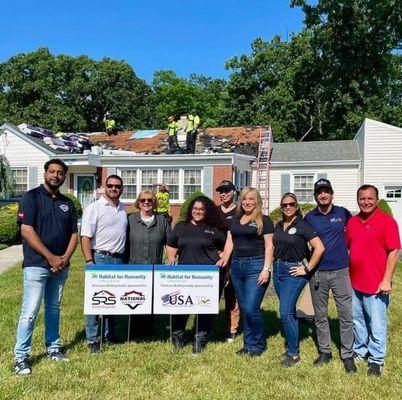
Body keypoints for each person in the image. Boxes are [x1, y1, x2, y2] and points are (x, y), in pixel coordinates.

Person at [14, 159, 78, 375]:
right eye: (52, 171)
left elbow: (74, 235)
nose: (56, 176)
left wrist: (64, 259)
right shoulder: (30, 197)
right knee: (30, 311)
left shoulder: (67, 203)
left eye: (60, 173)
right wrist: (51, 258)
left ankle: (53, 348)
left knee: (53, 309)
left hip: (60, 267)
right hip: (36, 265)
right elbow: (27, 231)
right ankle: (21, 357)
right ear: (45, 173)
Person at [346, 184, 400, 376]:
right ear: (357, 200)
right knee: (358, 321)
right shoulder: (352, 222)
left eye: (370, 198)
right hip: (355, 283)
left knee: (377, 323)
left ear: (377, 200)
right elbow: (349, 247)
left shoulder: (387, 222)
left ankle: (376, 359)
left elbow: (394, 250)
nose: (366, 202)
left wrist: (386, 280)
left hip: (376, 284)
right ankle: (360, 350)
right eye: (362, 198)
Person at [304, 178, 356, 373]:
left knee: (346, 315)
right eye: (319, 192)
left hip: (341, 271)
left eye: (326, 191)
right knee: (320, 315)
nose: (323, 195)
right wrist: (305, 266)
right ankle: (325, 351)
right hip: (318, 273)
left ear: (332, 194)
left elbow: (355, 235)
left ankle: (347, 354)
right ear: (315, 196)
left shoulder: (343, 213)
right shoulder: (309, 217)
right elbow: (300, 242)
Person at [218, 187, 274, 357]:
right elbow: (230, 242)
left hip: (256, 266)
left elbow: (269, 246)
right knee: (244, 308)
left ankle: (259, 344)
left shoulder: (264, 220)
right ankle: (248, 344)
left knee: (251, 308)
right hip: (237, 266)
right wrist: (225, 259)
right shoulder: (235, 220)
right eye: (244, 199)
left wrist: (266, 269)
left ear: (257, 201)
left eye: (251, 199)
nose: (247, 202)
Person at [166, 196, 226, 353]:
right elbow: (171, 244)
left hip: (208, 277)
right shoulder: (181, 227)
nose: (198, 212)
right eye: (195, 209)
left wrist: (223, 258)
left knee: (205, 309)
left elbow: (225, 247)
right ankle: (177, 337)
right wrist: (171, 257)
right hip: (184, 276)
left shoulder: (214, 229)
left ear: (207, 212)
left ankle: (200, 339)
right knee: (180, 308)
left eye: (201, 209)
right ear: (190, 210)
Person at [273, 193, 324, 366]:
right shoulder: (279, 225)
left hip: (294, 271)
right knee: (289, 310)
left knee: (285, 312)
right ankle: (292, 342)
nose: (288, 207)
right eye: (284, 204)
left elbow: (319, 248)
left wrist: (307, 268)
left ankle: (293, 353)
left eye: (291, 204)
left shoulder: (303, 225)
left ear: (296, 206)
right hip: (278, 270)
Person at [81, 175, 127, 353]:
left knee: (113, 299)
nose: (114, 189)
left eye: (117, 186)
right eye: (110, 186)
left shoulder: (123, 208)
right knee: (96, 300)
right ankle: (93, 339)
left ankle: (110, 335)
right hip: (100, 258)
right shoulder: (95, 208)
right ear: (104, 187)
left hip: (119, 259)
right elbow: (85, 237)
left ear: (121, 189)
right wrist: (89, 261)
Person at [126, 190, 172, 336]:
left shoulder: (162, 221)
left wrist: (171, 258)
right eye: (143, 200)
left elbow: (170, 242)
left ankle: (148, 329)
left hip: (154, 267)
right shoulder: (130, 219)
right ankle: (133, 330)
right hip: (134, 268)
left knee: (150, 299)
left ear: (154, 202)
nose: (146, 203)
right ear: (138, 202)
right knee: (135, 298)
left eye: (150, 200)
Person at [215, 180, 241, 342]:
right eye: (221, 191)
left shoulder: (239, 211)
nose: (223, 194)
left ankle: (232, 329)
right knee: (212, 293)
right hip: (215, 258)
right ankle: (208, 327)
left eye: (226, 191)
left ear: (233, 192)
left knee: (231, 295)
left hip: (235, 257)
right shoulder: (214, 212)